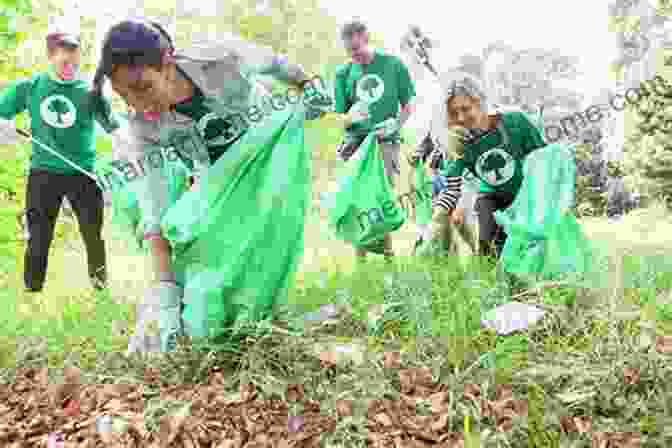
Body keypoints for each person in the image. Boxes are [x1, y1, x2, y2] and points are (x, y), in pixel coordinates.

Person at [90, 18, 329, 353]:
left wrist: (309, 85)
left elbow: (275, 64)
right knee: (199, 271)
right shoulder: (142, 130)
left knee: (263, 246)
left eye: (143, 87)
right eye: (123, 95)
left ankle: (265, 316)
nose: (137, 104)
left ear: (168, 62)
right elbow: (155, 214)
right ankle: (197, 320)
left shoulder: (219, 57)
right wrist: (166, 296)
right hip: (215, 179)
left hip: (267, 154)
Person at [0, 19, 119, 293]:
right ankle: (32, 289)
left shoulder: (90, 92)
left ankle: (100, 285)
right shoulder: (31, 87)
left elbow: (114, 129)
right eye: (65, 58)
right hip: (43, 173)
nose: (71, 64)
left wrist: (121, 151)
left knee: (93, 235)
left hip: (84, 174)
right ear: (51, 56)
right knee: (39, 236)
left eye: (74, 58)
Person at [426, 75, 546, 261]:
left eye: (466, 109)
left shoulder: (516, 121)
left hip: (525, 194)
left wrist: (545, 200)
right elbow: (451, 190)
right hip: (491, 198)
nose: (461, 118)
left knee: (530, 252)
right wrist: (435, 224)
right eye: (454, 113)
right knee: (488, 255)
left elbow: (545, 161)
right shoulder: (458, 143)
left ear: (480, 102)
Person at [332, 20, 416, 263]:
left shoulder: (392, 65)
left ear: (366, 38)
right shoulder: (343, 74)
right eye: (349, 51)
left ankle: (389, 256)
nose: (354, 55)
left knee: (381, 198)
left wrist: (396, 125)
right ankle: (361, 261)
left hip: (385, 141)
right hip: (356, 144)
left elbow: (409, 106)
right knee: (358, 200)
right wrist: (349, 117)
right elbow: (339, 117)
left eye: (357, 49)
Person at [409, 131, 477, 256]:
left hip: (462, 188)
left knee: (457, 221)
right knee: (442, 221)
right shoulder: (442, 148)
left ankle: (476, 251)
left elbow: (469, 183)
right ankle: (435, 251)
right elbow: (431, 163)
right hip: (448, 188)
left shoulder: (466, 157)